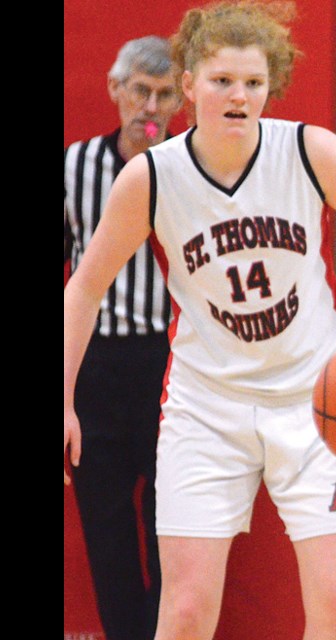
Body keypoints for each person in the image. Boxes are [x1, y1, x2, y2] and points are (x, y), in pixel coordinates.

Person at [62, 2, 336, 639]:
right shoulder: (151, 177)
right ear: (189, 85)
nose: (240, 96)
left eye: (253, 82)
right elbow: (83, 289)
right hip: (205, 404)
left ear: (270, 87)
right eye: (222, 81)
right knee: (186, 612)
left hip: (319, 399)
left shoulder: (308, 151)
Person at [63, 35, 181, 640]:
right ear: (116, 90)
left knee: (175, 525)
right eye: (141, 91)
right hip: (97, 366)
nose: (151, 107)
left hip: (173, 364)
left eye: (164, 94)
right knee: (105, 529)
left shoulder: (192, 169)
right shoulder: (75, 166)